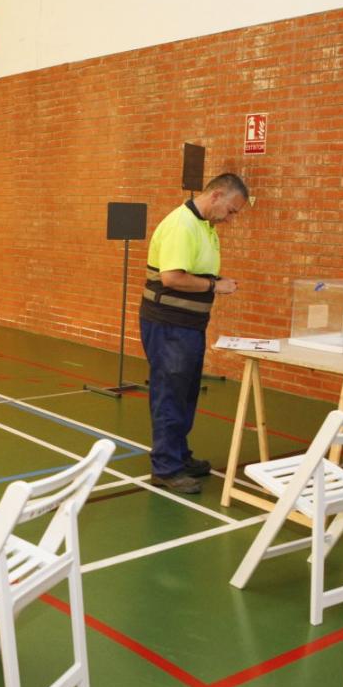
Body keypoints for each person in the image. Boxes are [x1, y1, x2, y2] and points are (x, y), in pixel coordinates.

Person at [139, 173, 249, 494]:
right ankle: (165, 467)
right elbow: (172, 278)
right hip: (169, 324)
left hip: (189, 325)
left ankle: (178, 455)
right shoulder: (181, 225)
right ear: (216, 195)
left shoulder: (204, 225)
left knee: (185, 394)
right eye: (231, 210)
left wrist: (215, 278)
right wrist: (216, 285)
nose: (230, 219)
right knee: (169, 394)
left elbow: (194, 271)